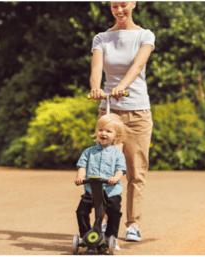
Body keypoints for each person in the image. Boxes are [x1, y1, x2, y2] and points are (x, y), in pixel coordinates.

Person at [89, 1, 155, 242]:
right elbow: (97, 68)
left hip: (138, 113)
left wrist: (122, 86)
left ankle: (133, 224)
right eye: (114, 6)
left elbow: (137, 66)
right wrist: (96, 88)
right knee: (105, 169)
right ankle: (106, 222)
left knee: (136, 171)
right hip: (110, 112)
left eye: (123, 5)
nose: (119, 10)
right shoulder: (102, 38)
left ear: (133, 4)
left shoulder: (145, 36)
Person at [74, 113, 127, 251]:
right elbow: (82, 167)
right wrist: (80, 176)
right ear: (96, 132)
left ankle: (111, 237)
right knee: (81, 211)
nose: (104, 133)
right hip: (92, 190)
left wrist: (115, 178)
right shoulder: (88, 152)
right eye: (101, 130)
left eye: (108, 131)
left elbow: (120, 170)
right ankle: (86, 237)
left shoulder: (118, 154)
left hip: (110, 190)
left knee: (114, 211)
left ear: (117, 136)